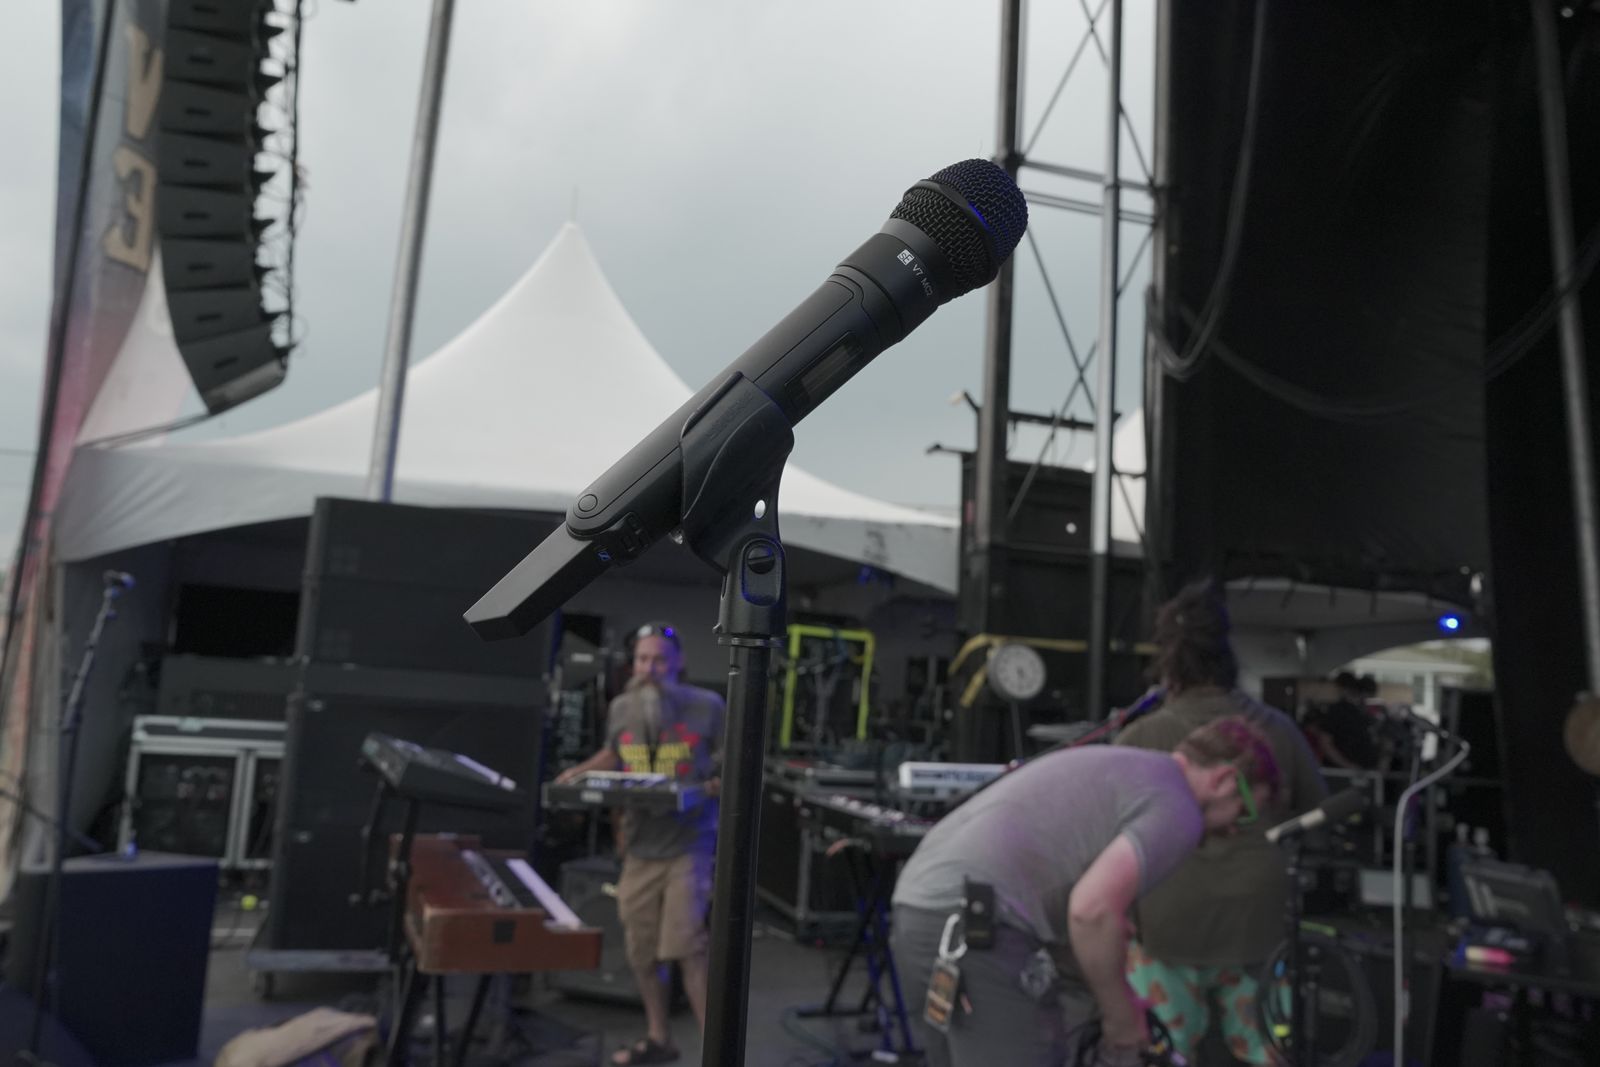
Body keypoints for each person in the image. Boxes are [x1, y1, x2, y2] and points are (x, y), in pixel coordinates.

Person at [890, 715, 1282, 1067]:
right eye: (1245, 811)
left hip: (919, 907)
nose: (1234, 828)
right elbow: (1092, 912)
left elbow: (1075, 899)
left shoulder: (1128, 768)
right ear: (1224, 780)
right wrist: (1122, 1017)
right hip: (976, 925)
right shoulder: (1178, 806)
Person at [1114, 579, 1328, 1065]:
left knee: (1162, 1054)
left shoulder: (1140, 736)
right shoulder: (1278, 728)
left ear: (1168, 663)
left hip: (1166, 923)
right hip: (1260, 921)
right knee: (1268, 1052)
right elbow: (1317, 813)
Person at [554, 622, 724, 1066]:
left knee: (687, 949)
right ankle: (658, 1037)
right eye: (643, 659)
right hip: (639, 847)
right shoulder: (622, 707)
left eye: (660, 659)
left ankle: (717, 1053)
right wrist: (579, 774)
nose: (650, 668)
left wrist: (714, 786)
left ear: (678, 662)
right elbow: (615, 754)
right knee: (641, 952)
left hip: (690, 844)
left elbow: (732, 764)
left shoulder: (708, 706)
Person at [1304, 670, 1382, 771]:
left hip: (1363, 770)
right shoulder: (1337, 711)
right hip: (1343, 772)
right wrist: (1349, 766)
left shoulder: (1364, 713)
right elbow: (1325, 743)